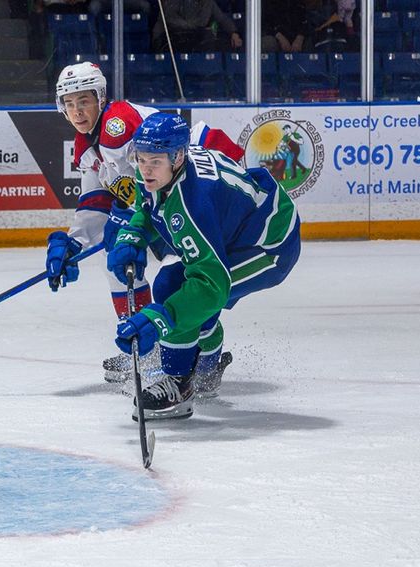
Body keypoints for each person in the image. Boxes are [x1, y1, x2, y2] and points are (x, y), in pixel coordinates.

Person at [42, 61, 245, 384]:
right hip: (177, 193)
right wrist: (72, 243)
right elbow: (97, 201)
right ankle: (147, 343)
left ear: (100, 99)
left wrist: (123, 225)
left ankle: (198, 354)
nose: (77, 111)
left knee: (193, 275)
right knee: (119, 262)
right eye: (69, 103)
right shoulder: (87, 146)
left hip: (207, 181)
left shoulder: (116, 127)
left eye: (84, 101)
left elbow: (146, 184)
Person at [109, 112, 301, 419]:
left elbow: (212, 286)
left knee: (178, 289)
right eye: (140, 159)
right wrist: (134, 234)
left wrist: (162, 317)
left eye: (154, 161)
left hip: (269, 247)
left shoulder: (192, 204)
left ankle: (178, 381)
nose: (145, 169)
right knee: (176, 287)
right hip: (236, 233)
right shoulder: (160, 171)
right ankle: (208, 368)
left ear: (178, 156)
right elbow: (147, 204)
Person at [151, 0, 242, 53]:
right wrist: (194, 26)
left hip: (194, 38)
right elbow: (170, 19)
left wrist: (233, 33)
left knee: (215, 41)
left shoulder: (207, 2)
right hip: (173, 38)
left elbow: (222, 19)